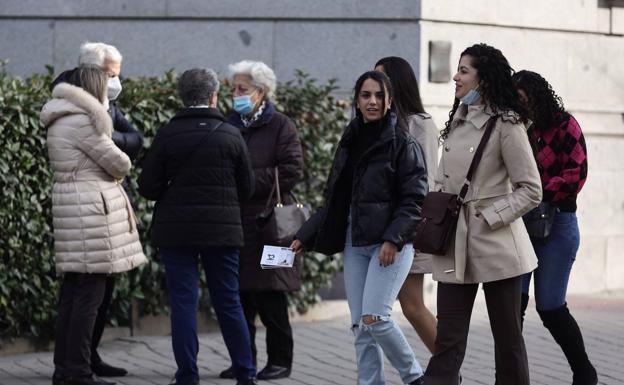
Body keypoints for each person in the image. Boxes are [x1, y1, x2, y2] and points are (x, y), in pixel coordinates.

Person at [292, 70, 428, 385]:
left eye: (379, 95)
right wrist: (305, 235)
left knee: (376, 318)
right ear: (357, 99)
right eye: (366, 95)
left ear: (390, 101)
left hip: (390, 246)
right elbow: (336, 198)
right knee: (360, 325)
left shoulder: (402, 142)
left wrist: (393, 240)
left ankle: (414, 378)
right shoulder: (350, 139)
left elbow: (414, 200)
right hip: (355, 243)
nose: (372, 101)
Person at [423, 43, 542, 385]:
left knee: (507, 342)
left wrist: (491, 215)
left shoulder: (507, 124)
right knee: (447, 340)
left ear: (484, 80)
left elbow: (531, 189)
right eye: (457, 70)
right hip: (453, 242)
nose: (455, 78)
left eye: (463, 71)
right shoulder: (457, 119)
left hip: (497, 244)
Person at [137, 68, 257, 385]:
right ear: (214, 96)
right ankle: (246, 372)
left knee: (183, 303)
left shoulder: (167, 134)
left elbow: (147, 186)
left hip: (176, 232)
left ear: (182, 96)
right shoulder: (231, 134)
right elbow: (248, 188)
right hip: (223, 232)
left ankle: (187, 375)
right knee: (229, 301)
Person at [42, 65, 147, 385]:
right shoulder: (84, 122)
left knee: (74, 293)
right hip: (91, 213)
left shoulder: (61, 116)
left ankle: (66, 365)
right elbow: (121, 162)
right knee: (89, 296)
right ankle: (76, 371)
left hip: (75, 208)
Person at [218, 60, 304, 381]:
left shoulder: (281, 125)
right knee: (240, 297)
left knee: (271, 295)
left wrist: (246, 179)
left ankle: (281, 360)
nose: (236, 94)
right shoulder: (228, 124)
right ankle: (244, 360)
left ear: (261, 92)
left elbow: (292, 170)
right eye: (234, 88)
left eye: (243, 89)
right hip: (236, 222)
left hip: (272, 226)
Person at [513, 70, 596, 385]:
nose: (520, 107)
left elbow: (577, 173)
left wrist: (536, 190)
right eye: (515, 101)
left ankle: (585, 373)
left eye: (524, 100)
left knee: (549, 306)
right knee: (512, 308)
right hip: (519, 223)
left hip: (557, 222)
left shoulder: (565, 125)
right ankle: (509, 377)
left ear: (537, 95)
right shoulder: (516, 127)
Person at [374, 56, 439, 354]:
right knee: (378, 309)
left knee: (411, 306)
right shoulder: (380, 123)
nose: (375, 87)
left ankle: (448, 369)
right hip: (379, 227)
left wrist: (403, 229)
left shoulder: (419, 124)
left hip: (408, 228)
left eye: (382, 80)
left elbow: (423, 181)